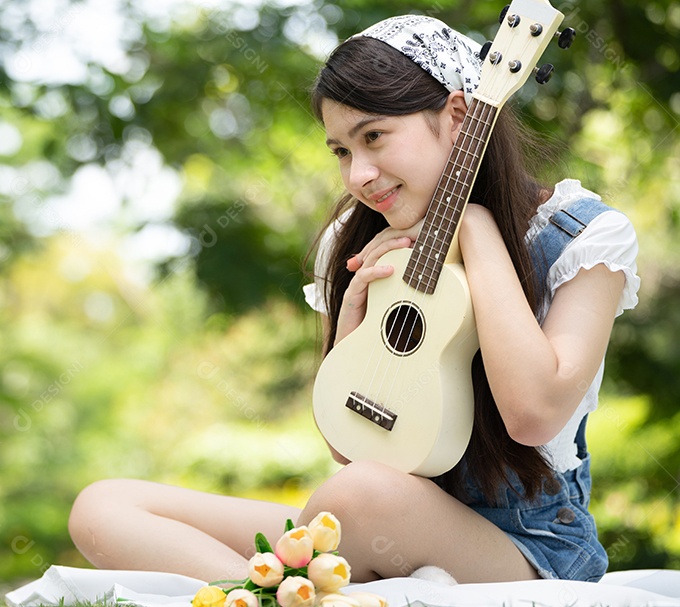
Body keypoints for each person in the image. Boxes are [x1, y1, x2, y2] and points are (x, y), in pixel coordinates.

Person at [68, 15, 639, 585]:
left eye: (373, 137)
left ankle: (285, 586)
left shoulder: (580, 238)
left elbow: (533, 414)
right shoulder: (361, 240)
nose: (359, 175)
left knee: (361, 496)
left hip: (525, 549)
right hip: (373, 513)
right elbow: (353, 447)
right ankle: (270, 595)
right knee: (104, 506)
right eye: (341, 151)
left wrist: (477, 230)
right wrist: (352, 322)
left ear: (460, 118)